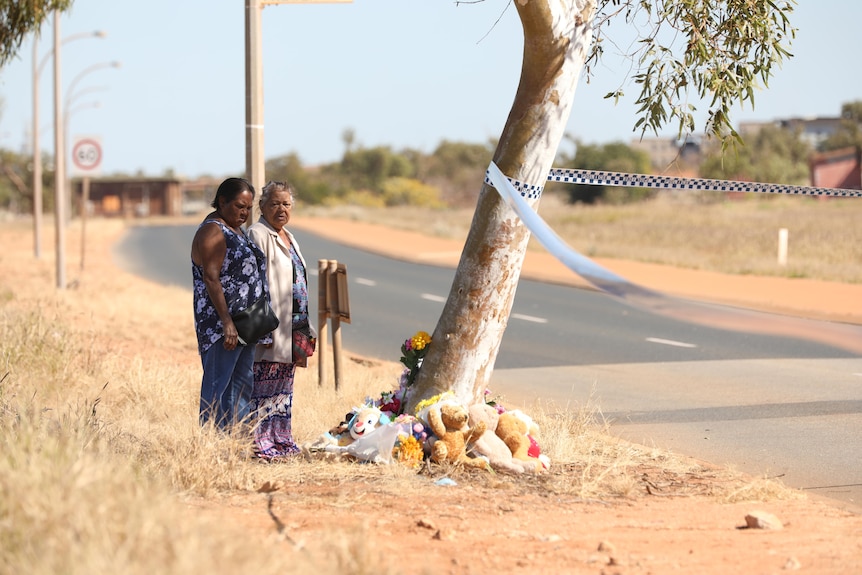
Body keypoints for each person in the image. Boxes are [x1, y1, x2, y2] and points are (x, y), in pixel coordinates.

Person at [191, 177, 269, 430]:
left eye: (248, 208)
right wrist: (227, 323)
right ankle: (210, 444)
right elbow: (211, 278)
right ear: (222, 201)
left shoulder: (236, 229)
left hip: (247, 320)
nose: (245, 213)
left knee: (241, 385)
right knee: (217, 385)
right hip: (222, 325)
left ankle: (236, 441)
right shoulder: (212, 230)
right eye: (239, 206)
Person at [246, 180, 315, 460]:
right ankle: (261, 445)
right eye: (274, 203)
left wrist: (305, 330)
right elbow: (254, 285)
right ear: (262, 206)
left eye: (286, 203)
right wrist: (264, 328)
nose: (281, 209)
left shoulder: (288, 235)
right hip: (272, 327)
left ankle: (281, 440)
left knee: (284, 389)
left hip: (294, 327)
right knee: (263, 387)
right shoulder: (258, 234)